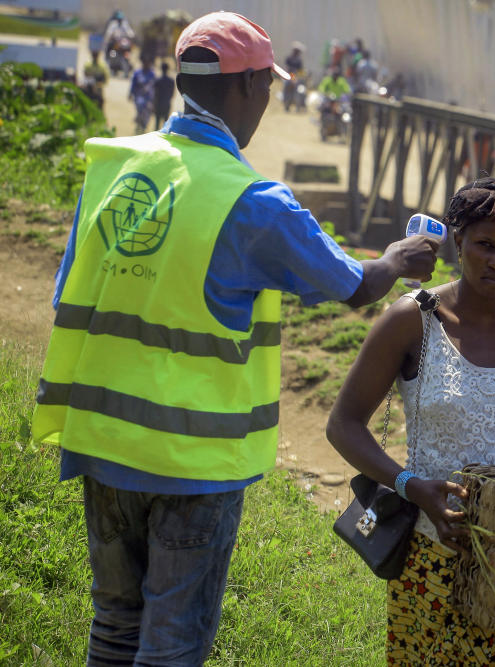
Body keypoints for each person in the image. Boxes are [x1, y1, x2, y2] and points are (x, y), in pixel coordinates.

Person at [31, 12, 438, 665]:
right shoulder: (255, 202)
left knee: (114, 622)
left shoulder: (114, 168)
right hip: (191, 461)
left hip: (101, 438)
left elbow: (66, 295)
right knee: (172, 639)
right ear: (251, 87)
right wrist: (395, 259)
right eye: (268, 86)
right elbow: (352, 285)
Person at [327, 176, 495, 665]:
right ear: (458, 240)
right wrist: (410, 485)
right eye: (485, 245)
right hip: (437, 558)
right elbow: (344, 424)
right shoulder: (412, 319)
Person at [129, 56, 155, 133]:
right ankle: (139, 125)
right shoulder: (137, 73)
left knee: (147, 113)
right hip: (139, 96)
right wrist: (130, 93)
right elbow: (133, 84)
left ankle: (143, 126)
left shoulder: (152, 74)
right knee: (139, 110)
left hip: (148, 98)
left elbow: (154, 86)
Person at [153, 61, 175, 130]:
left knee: (157, 124)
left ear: (161, 69)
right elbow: (172, 94)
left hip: (158, 104)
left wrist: (153, 105)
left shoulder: (158, 80)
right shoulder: (171, 81)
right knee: (166, 125)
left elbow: (155, 94)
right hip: (166, 104)